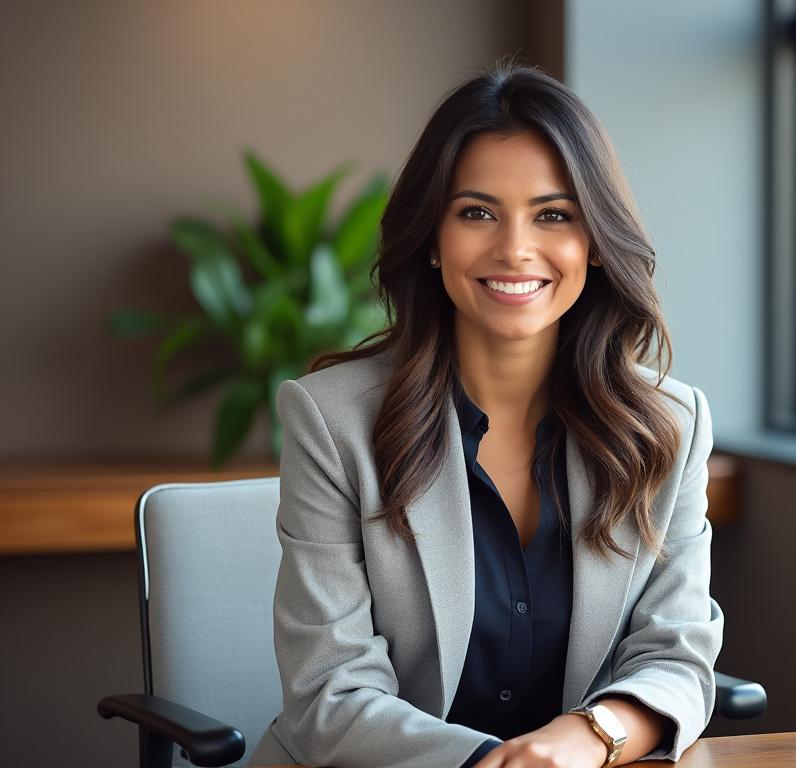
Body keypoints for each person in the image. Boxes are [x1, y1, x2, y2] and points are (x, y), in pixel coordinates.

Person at [249, 58, 724, 768]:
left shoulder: (668, 425)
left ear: (594, 242)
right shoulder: (331, 421)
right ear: (433, 240)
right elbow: (329, 695)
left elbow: (677, 655)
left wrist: (588, 739)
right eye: (477, 212)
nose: (514, 249)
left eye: (553, 214)